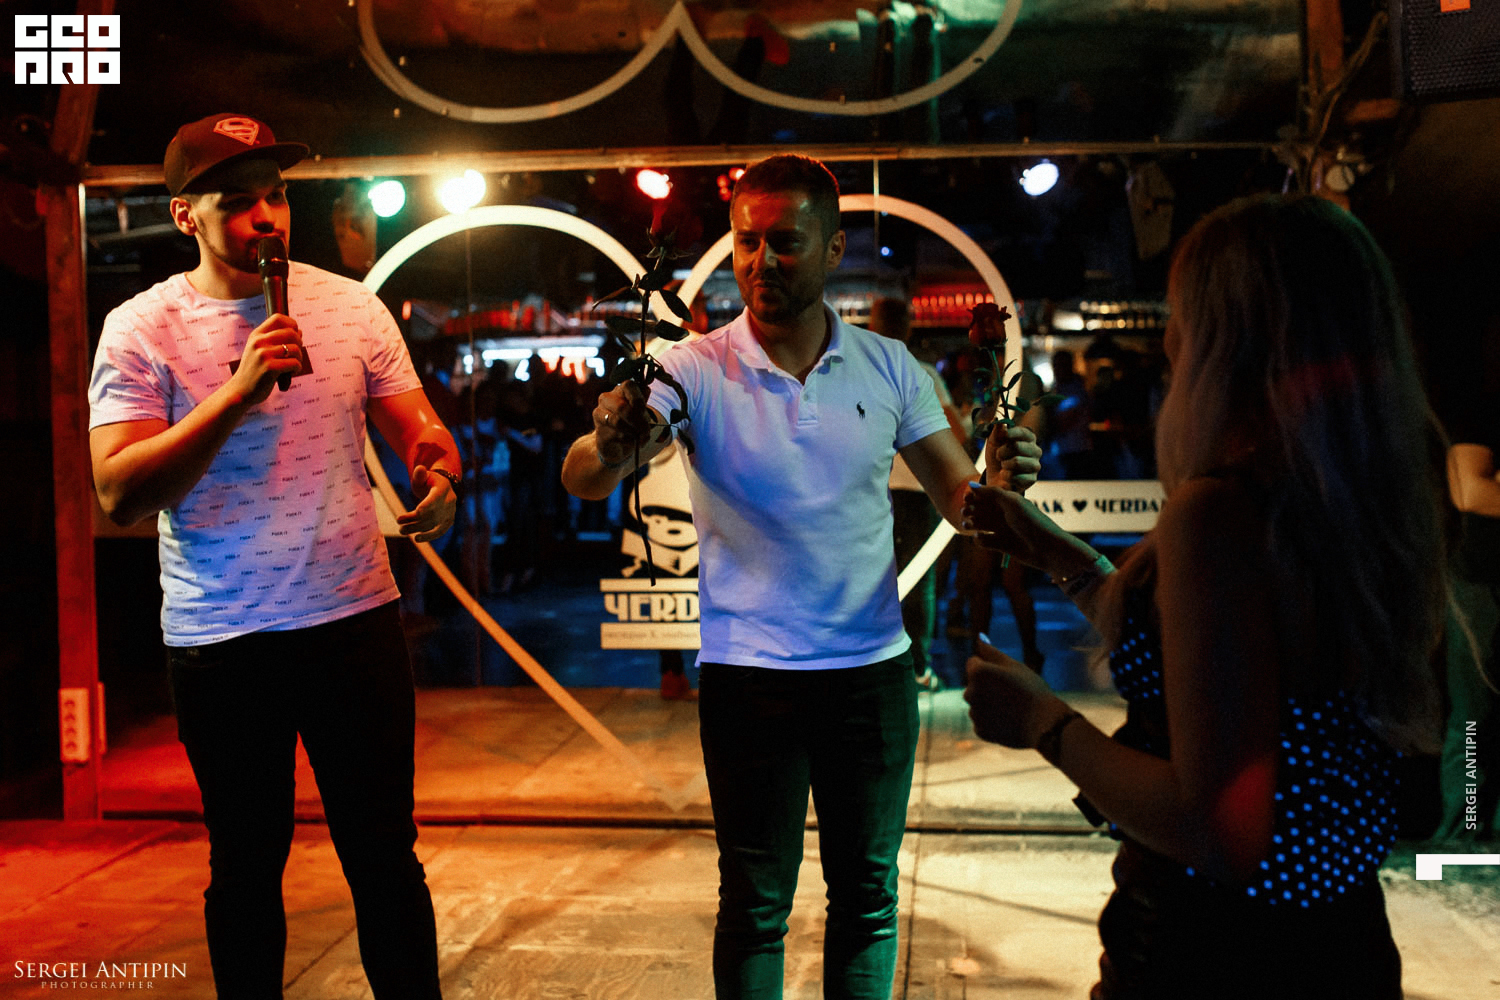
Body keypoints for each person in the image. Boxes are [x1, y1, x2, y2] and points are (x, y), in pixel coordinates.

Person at [561, 154, 1041, 1000]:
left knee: (867, 903)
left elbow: (962, 502)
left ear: (833, 250)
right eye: (748, 242)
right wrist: (608, 441)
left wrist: (999, 486)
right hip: (749, 678)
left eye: (785, 242)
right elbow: (586, 477)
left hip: (871, 674)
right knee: (754, 908)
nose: (762, 261)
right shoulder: (691, 367)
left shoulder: (890, 366)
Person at [961, 194, 1448, 999]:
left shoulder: (1220, 512)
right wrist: (1053, 550)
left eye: (1181, 316)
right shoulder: (1360, 494)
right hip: (1341, 937)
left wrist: (1044, 723)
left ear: (1228, 337)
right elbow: (1217, 664)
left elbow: (1219, 827)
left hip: (1210, 951)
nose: (1168, 342)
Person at [88, 113, 459, 1000]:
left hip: (353, 621)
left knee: (385, 855)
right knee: (247, 864)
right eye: (238, 201)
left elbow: (422, 430)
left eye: (277, 196)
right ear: (186, 215)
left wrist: (441, 474)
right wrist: (237, 392)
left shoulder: (350, 307)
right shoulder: (141, 328)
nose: (267, 218)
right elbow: (119, 491)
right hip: (224, 640)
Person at [868, 296, 965, 690]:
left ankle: (875, 661)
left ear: (871, 326)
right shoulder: (920, 371)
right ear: (908, 328)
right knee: (918, 578)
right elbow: (956, 433)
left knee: (871, 577)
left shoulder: (858, 369)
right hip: (915, 488)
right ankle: (918, 666)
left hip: (869, 489)